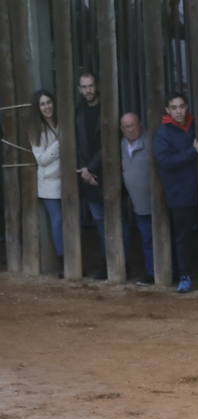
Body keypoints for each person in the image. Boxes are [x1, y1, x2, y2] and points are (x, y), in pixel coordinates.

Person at [153, 93, 198, 293]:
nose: (179, 111)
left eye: (182, 106)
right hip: (179, 194)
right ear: (167, 110)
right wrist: (192, 152)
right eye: (174, 107)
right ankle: (184, 275)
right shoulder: (163, 133)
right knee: (183, 237)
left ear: (187, 107)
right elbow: (165, 161)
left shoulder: (196, 125)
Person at [74, 71, 107, 277]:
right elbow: (76, 146)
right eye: (84, 87)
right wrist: (85, 171)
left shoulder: (108, 108)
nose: (88, 90)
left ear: (97, 86)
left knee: (117, 220)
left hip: (109, 173)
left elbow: (109, 142)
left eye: (91, 85)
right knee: (99, 222)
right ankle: (107, 265)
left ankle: (122, 262)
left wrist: (91, 169)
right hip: (88, 175)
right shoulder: (78, 113)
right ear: (80, 89)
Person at [28, 90, 63, 267]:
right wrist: (60, 143)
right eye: (42, 104)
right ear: (38, 108)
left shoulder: (62, 123)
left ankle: (74, 257)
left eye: (49, 102)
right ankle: (62, 260)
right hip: (49, 183)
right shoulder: (36, 130)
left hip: (68, 180)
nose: (47, 106)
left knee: (71, 220)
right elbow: (41, 160)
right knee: (57, 222)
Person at [119, 112, 155, 283]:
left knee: (154, 238)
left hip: (155, 202)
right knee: (145, 238)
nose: (131, 129)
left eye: (133, 125)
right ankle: (150, 271)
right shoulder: (122, 144)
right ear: (122, 129)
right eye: (126, 127)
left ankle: (158, 273)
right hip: (135, 202)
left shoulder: (150, 142)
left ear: (140, 124)